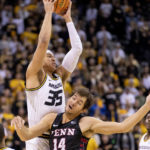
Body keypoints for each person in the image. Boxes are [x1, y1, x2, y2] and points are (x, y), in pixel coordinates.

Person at [11, 87, 150, 150]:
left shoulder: (86, 122)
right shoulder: (51, 119)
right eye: (74, 98)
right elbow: (26, 136)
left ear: (83, 110)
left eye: (79, 103)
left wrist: (147, 105)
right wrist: (19, 125)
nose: (73, 102)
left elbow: (123, 127)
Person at [25, 0, 83, 149]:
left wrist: (68, 19)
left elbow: (77, 49)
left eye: (53, 56)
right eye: (49, 56)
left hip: (58, 138)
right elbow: (43, 42)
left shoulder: (60, 76)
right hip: (37, 139)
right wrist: (48, 12)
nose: (54, 58)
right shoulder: (35, 74)